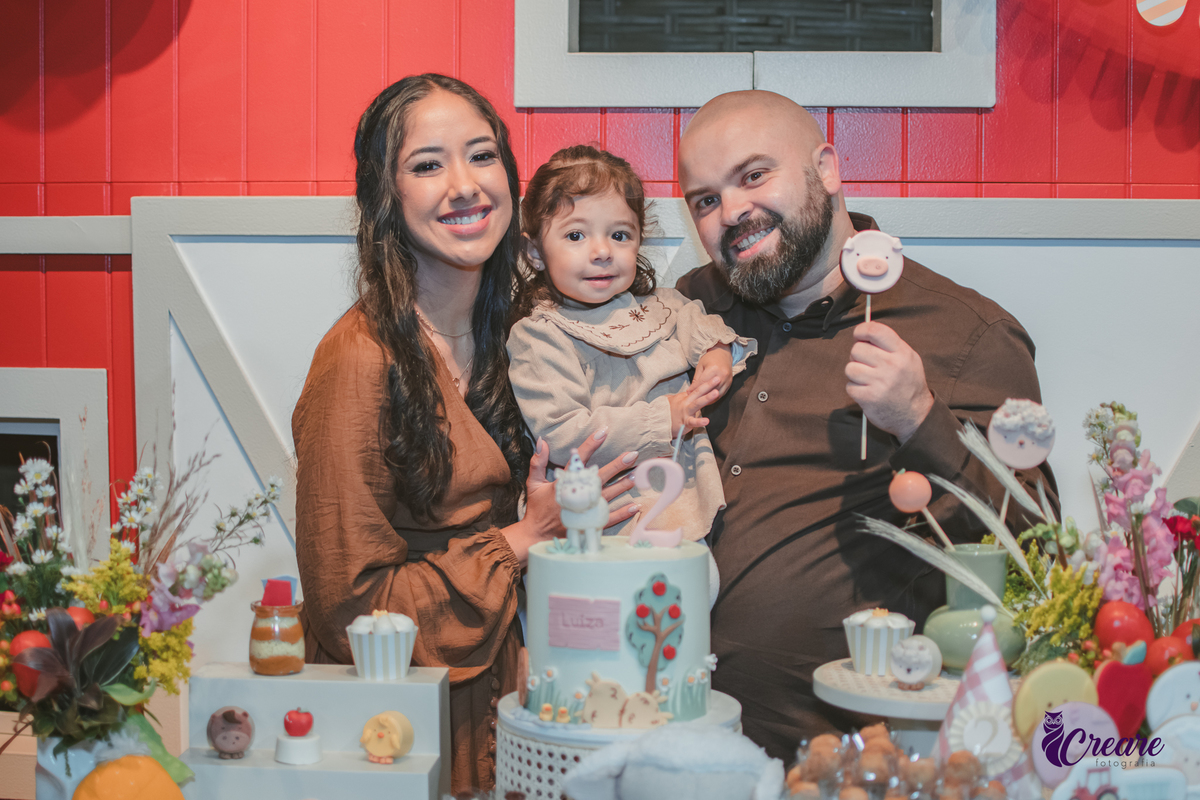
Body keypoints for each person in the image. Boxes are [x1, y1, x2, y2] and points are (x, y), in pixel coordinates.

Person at [673, 90, 1059, 759]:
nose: (732, 212)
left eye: (754, 175)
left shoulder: (965, 335)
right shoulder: (687, 314)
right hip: (670, 744)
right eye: (705, 199)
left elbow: (1035, 552)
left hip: (843, 762)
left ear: (826, 169)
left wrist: (919, 419)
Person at [291, 75, 638, 793]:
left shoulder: (526, 332)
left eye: (482, 156)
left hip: (516, 695)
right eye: (427, 164)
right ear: (384, 199)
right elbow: (348, 606)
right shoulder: (360, 360)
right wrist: (517, 540)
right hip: (407, 721)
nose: (464, 185)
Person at [507, 145, 755, 599]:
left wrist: (716, 355)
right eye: (576, 236)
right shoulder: (540, 334)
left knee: (696, 588)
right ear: (535, 251)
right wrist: (667, 417)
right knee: (610, 609)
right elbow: (561, 432)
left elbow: (702, 327)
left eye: (620, 235)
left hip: (670, 495)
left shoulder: (662, 305)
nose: (602, 252)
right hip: (598, 508)